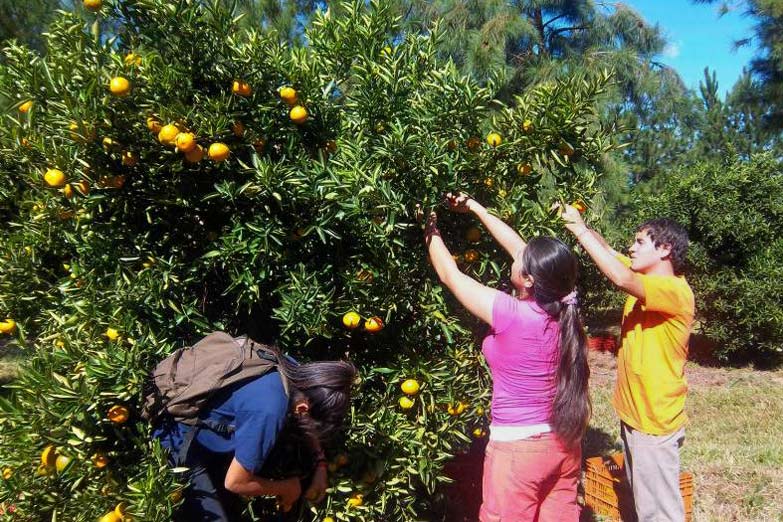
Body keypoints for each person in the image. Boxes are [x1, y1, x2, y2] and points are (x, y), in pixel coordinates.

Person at [422, 193, 590, 522]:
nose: (515, 256)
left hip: (518, 450)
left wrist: (428, 222)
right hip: (565, 445)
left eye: (520, 260)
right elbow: (522, 251)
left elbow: (450, 275)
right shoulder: (568, 315)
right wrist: (474, 207)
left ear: (529, 278)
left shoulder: (511, 313)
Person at [559, 205, 694, 522]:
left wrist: (578, 228)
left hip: (654, 419)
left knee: (659, 512)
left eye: (639, 242)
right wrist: (576, 220)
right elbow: (606, 251)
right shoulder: (644, 279)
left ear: (665, 249)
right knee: (642, 500)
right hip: (635, 414)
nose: (630, 248)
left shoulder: (673, 291)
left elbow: (618, 276)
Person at [154, 340, 357, 521]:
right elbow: (235, 482)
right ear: (303, 408)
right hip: (178, 437)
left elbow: (307, 420)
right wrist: (287, 487)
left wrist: (320, 463)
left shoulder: (292, 370)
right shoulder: (269, 410)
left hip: (207, 421)